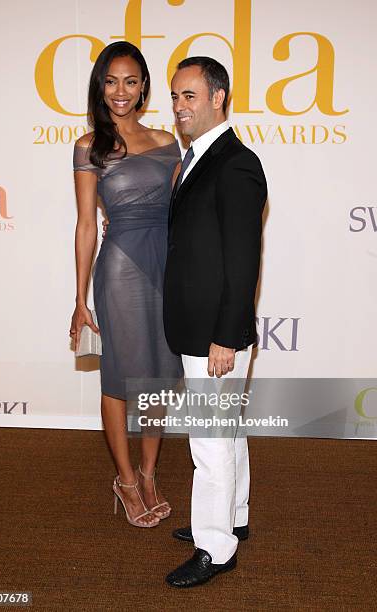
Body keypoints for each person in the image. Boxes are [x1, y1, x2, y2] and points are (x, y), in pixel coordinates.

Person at [69, 41, 183, 528]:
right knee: (118, 376)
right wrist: (78, 298)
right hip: (119, 269)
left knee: (158, 374)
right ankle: (126, 480)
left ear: (144, 88)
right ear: (101, 86)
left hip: (167, 265)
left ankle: (150, 472)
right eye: (112, 81)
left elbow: (183, 212)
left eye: (131, 81)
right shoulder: (89, 146)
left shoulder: (166, 141)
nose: (121, 91)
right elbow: (86, 225)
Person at [163, 57, 267, 586]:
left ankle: (216, 548)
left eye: (190, 96)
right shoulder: (198, 158)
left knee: (209, 440)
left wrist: (225, 337)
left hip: (215, 334)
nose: (180, 107)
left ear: (219, 97)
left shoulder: (235, 163)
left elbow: (243, 258)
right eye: (175, 96)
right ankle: (234, 518)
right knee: (227, 433)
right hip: (200, 326)